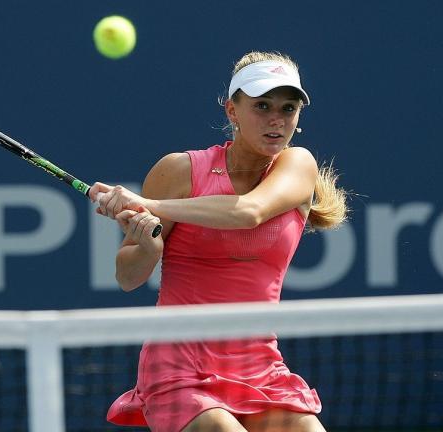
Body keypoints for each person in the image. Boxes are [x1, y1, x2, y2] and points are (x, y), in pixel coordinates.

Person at [89, 51, 348, 432]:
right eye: (262, 106)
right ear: (232, 111)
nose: (276, 119)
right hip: (179, 365)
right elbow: (128, 277)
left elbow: (249, 212)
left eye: (288, 108)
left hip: (260, 364)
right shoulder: (179, 171)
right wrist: (149, 247)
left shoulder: (299, 164)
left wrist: (149, 204)